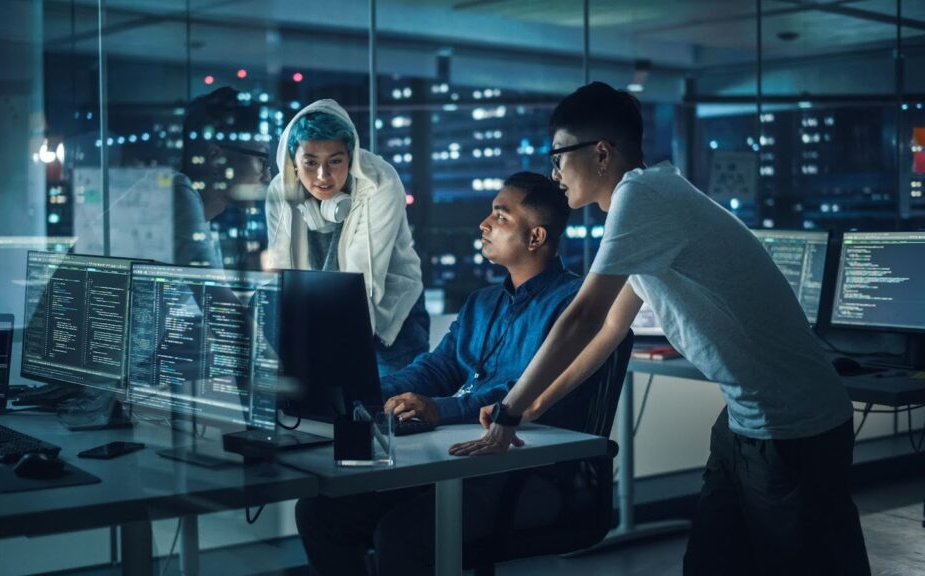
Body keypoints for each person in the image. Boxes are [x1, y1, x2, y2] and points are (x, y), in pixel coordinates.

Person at [449, 82, 870, 576]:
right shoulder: (651, 198)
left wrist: (509, 411)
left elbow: (583, 316)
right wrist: (534, 406)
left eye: (559, 155)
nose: (554, 172)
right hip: (746, 420)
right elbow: (608, 328)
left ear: (601, 153)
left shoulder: (641, 196)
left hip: (794, 425)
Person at [295, 172, 581, 576]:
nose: (483, 224)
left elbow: (523, 391)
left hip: (526, 471)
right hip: (459, 458)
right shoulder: (482, 302)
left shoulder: (573, 305)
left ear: (535, 237)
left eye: (499, 216)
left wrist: (439, 410)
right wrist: (362, 390)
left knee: (402, 533)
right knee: (322, 511)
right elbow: (437, 368)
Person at [265, 99, 428, 375]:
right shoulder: (280, 193)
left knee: (392, 411)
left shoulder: (380, 184)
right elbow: (283, 273)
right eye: (310, 162)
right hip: (321, 316)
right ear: (294, 162)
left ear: (350, 158)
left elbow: (363, 280)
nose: (323, 176)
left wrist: (336, 352)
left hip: (392, 317)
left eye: (335, 161)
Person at [176, 86, 271, 267]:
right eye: (261, 160)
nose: (267, 177)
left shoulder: (204, 218)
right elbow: (214, 293)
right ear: (216, 158)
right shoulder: (180, 196)